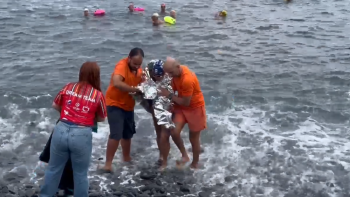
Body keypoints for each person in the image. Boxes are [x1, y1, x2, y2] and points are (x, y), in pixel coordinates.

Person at [40, 62, 107, 197]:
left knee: (53, 169)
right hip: (81, 134)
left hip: (61, 129)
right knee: (80, 174)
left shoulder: (69, 87)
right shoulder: (98, 95)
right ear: (96, 76)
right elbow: (101, 118)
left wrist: (67, 114)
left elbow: (55, 105)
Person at [158, 57, 207, 169]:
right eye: (167, 73)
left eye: (171, 72)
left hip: (195, 108)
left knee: (193, 138)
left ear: (178, 67)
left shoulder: (187, 79)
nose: (169, 75)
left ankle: (195, 163)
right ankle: (185, 155)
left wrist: (169, 95)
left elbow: (186, 102)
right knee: (174, 132)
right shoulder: (175, 74)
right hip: (181, 106)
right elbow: (173, 90)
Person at [102, 48, 144, 172]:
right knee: (116, 134)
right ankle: (108, 164)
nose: (136, 66)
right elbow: (117, 83)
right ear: (129, 58)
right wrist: (135, 90)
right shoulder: (122, 66)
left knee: (127, 134)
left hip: (128, 105)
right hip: (114, 103)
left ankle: (126, 158)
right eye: (134, 63)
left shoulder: (140, 71)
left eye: (139, 64)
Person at [139, 59, 168, 165]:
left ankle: (166, 150)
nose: (158, 78)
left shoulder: (168, 75)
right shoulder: (146, 77)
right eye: (156, 76)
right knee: (159, 130)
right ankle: (162, 154)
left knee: (166, 130)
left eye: (160, 76)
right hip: (150, 99)